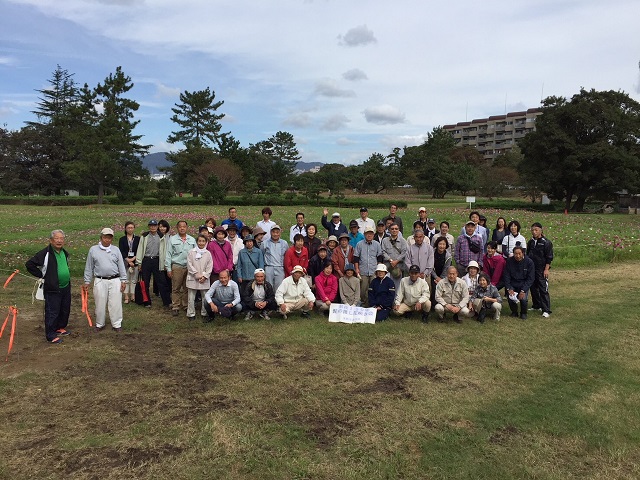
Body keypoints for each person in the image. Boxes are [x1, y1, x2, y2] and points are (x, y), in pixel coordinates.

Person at [26, 229, 72, 344]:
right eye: (57, 238)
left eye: (61, 238)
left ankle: (59, 327)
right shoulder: (45, 253)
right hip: (52, 288)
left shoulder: (64, 252)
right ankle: (51, 335)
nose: (59, 241)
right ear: (51, 240)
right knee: (52, 312)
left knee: (64, 309)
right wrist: (42, 275)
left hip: (65, 287)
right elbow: (29, 264)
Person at [83, 228, 127, 332]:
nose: (107, 240)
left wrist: (123, 280)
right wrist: (87, 281)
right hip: (100, 279)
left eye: (109, 238)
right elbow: (89, 266)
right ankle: (99, 323)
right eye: (105, 237)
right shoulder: (93, 250)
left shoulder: (116, 250)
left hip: (115, 279)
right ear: (101, 237)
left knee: (115, 303)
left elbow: (121, 265)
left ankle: (116, 324)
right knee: (100, 302)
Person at [135, 219, 171, 308]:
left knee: (162, 282)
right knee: (145, 282)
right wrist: (139, 263)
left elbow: (165, 250)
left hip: (157, 260)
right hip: (146, 260)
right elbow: (140, 249)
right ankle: (147, 302)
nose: (153, 227)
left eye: (154, 226)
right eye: (151, 226)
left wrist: (165, 263)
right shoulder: (144, 236)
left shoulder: (162, 236)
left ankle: (167, 301)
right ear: (149, 227)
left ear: (157, 227)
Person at [165, 220, 196, 316]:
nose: (182, 228)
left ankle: (186, 305)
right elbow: (168, 254)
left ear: (187, 228)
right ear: (177, 228)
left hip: (189, 267)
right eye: (180, 227)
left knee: (187, 287)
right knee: (176, 287)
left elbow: (195, 254)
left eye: (184, 226)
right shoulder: (172, 239)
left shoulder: (192, 239)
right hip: (177, 266)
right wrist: (168, 269)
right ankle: (175, 306)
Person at [527, 222, 554, 318]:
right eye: (532, 230)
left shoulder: (546, 242)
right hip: (532, 269)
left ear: (540, 230)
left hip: (542, 269)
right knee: (533, 288)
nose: (534, 232)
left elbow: (549, 257)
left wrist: (546, 269)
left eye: (536, 230)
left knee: (543, 289)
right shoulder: (530, 242)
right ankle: (536, 305)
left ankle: (546, 309)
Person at [353, 227, 384, 306]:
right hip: (363, 271)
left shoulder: (377, 244)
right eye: (367, 233)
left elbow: (379, 257)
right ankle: (364, 304)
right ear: (364, 234)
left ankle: (373, 304)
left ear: (373, 235)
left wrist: (379, 269)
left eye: (371, 233)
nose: (369, 235)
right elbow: (356, 258)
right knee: (363, 290)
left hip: (373, 271)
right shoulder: (359, 244)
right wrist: (356, 269)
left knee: (374, 289)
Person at [503, 246, 535, 320]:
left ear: (523, 253)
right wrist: (509, 288)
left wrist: (524, 290)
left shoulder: (529, 262)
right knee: (510, 296)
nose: (517, 256)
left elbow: (531, 278)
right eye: (515, 254)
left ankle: (523, 313)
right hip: (513, 283)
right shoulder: (509, 261)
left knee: (523, 299)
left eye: (519, 254)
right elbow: (506, 275)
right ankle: (514, 312)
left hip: (523, 283)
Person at [186, 234, 213, 320]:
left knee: (205, 297)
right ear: (197, 242)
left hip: (204, 279)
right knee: (191, 297)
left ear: (206, 242)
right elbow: (189, 265)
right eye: (199, 241)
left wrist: (205, 277)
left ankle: (204, 313)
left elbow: (210, 266)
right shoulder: (191, 252)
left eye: (203, 241)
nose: (201, 243)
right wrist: (196, 275)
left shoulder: (208, 253)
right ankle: (191, 314)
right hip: (193, 277)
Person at [381, 222, 408, 290]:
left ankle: (396, 300)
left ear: (399, 230)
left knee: (397, 287)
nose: (394, 230)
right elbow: (383, 251)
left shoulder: (403, 241)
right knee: (387, 286)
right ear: (389, 230)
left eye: (396, 229)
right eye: (392, 229)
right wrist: (390, 260)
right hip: (388, 268)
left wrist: (396, 261)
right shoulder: (385, 240)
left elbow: (404, 252)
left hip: (398, 268)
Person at [261, 224, 288, 291]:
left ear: (280, 233)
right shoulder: (265, 243)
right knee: (268, 286)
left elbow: (286, 255)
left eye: (277, 232)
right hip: (269, 267)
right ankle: (269, 301)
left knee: (279, 287)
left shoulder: (284, 243)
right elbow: (262, 254)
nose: (275, 234)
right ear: (270, 232)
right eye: (273, 232)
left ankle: (277, 301)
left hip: (280, 267)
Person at [118, 221, 140, 304]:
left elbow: (139, 250)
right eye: (128, 228)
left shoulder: (138, 239)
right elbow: (121, 251)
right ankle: (126, 296)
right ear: (125, 229)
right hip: (125, 262)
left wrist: (134, 259)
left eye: (131, 227)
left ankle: (133, 295)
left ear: (134, 228)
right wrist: (128, 260)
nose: (130, 229)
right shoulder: (122, 239)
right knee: (126, 279)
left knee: (134, 279)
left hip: (135, 261)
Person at [431, 236, 452, 304]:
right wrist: (436, 277)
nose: (442, 246)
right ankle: (433, 304)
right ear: (437, 244)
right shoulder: (431, 253)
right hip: (433, 275)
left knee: (443, 286)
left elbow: (446, 268)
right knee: (433, 286)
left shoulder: (448, 256)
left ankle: (443, 303)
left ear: (446, 245)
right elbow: (430, 266)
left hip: (444, 276)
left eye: (444, 244)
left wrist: (441, 279)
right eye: (440, 244)